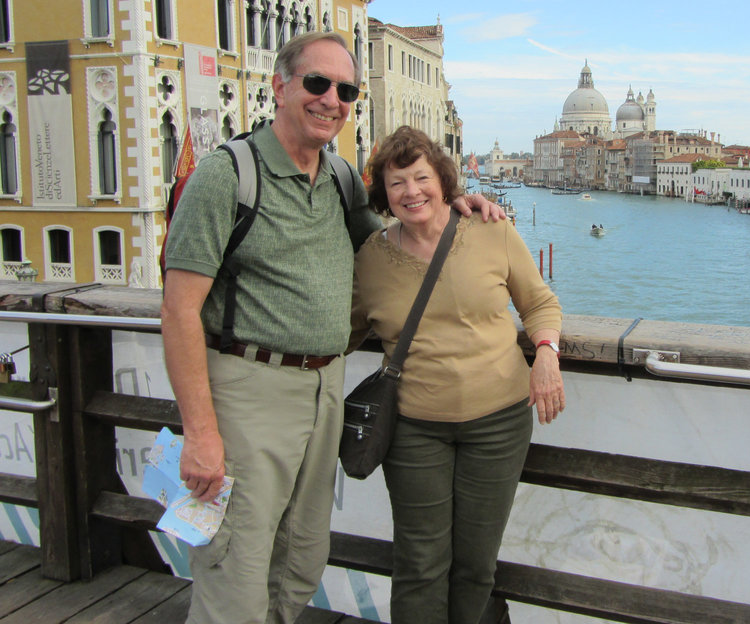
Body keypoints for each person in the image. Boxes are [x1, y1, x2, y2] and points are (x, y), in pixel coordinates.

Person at [160, 32, 502, 624]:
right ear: (280, 87)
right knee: (235, 571)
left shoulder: (341, 178)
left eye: (346, 90)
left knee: (300, 560)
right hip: (247, 390)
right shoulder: (227, 176)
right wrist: (200, 433)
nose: (332, 100)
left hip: (325, 392)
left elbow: (395, 233)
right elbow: (178, 309)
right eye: (317, 83)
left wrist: (456, 204)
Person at [349, 126, 565, 624]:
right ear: (383, 193)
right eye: (397, 182)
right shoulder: (371, 258)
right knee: (419, 563)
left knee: (474, 565)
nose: (411, 192)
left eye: (421, 178)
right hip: (412, 429)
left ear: (443, 181)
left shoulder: (493, 230)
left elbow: (539, 303)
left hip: (498, 425)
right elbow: (344, 330)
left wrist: (547, 356)